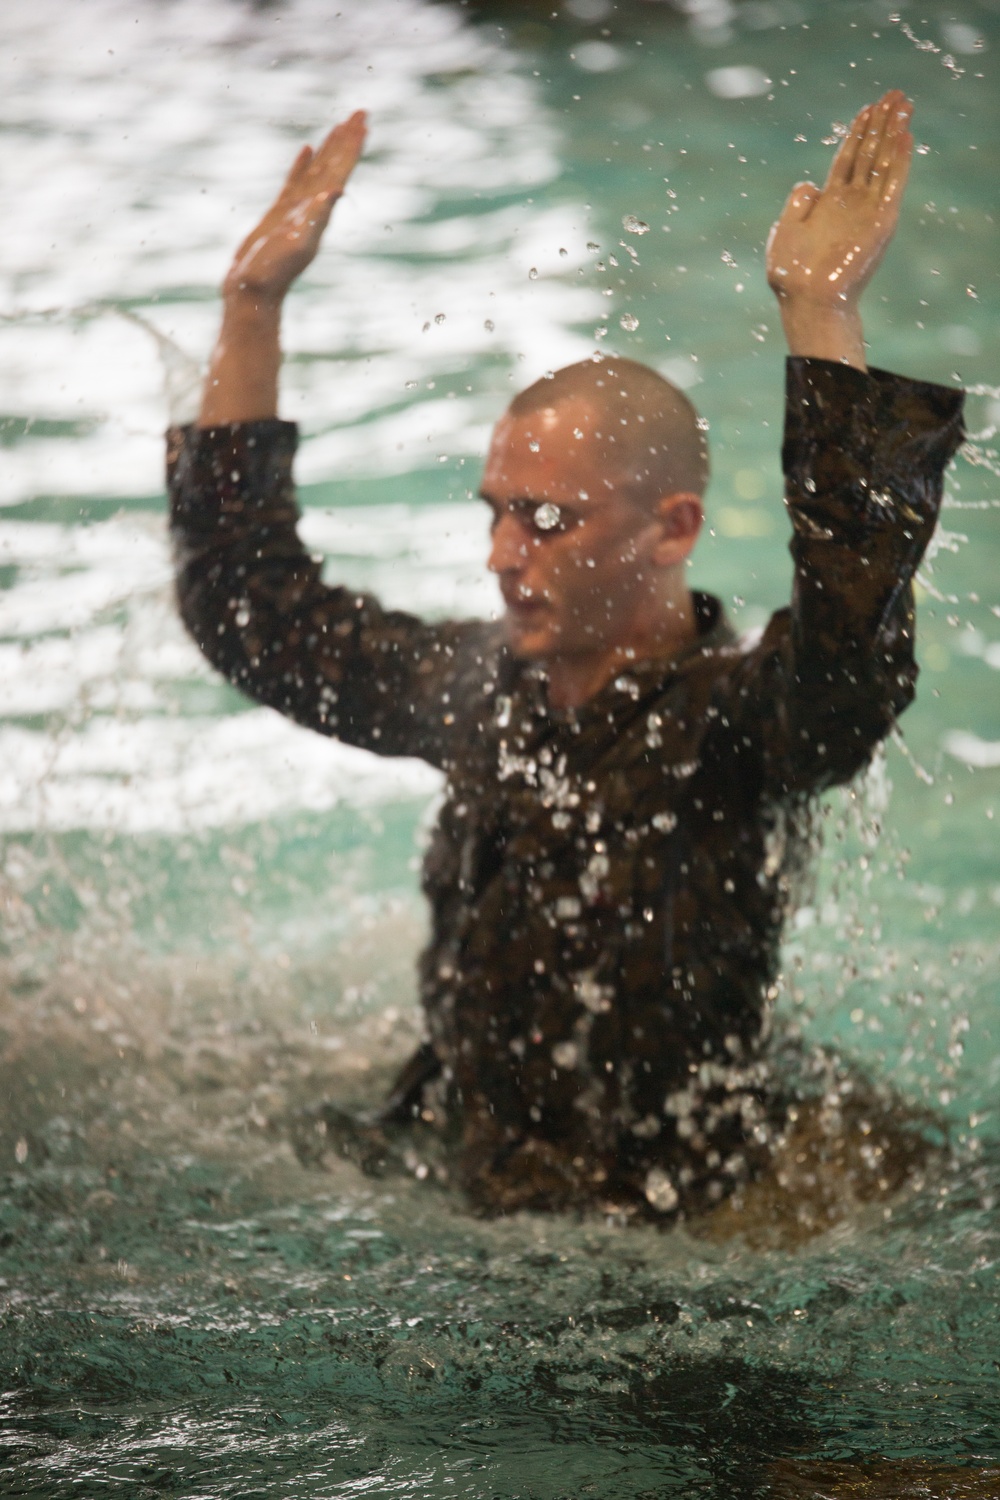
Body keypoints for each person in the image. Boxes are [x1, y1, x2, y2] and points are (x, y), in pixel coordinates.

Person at [168, 91, 964, 1218]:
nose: (499, 553)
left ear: (673, 529)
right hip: (459, 1161)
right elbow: (252, 609)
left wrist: (819, 314)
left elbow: (854, 647)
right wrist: (251, 305)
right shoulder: (474, 692)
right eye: (495, 510)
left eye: (545, 520)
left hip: (672, 1224)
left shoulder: (735, 728)